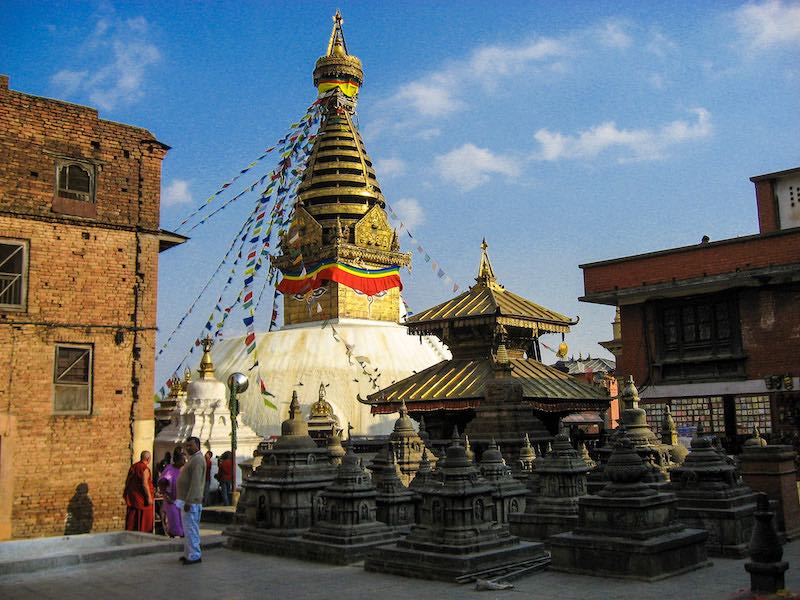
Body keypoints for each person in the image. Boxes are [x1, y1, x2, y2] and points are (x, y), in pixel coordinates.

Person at [177, 437, 206, 565]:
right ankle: (188, 553)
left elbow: (196, 483)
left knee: (192, 529)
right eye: (186, 446)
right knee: (188, 529)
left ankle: (194, 555)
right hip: (186, 500)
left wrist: (190, 500)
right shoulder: (193, 459)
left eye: (191, 445)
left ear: (198, 446)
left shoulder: (198, 460)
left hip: (191, 501)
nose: (188, 448)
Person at [123, 450, 155, 532]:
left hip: (134, 498)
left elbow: (127, 481)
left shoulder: (133, 467)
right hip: (142, 500)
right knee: (143, 521)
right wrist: (148, 498)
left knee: (133, 520)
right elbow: (144, 484)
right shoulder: (144, 469)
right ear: (148, 459)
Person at [158, 446, 186, 538]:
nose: (184, 462)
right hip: (172, 501)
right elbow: (162, 483)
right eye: (182, 460)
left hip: (182, 500)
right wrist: (166, 496)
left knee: (184, 523)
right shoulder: (169, 470)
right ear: (177, 460)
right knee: (174, 522)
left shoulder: (184, 470)